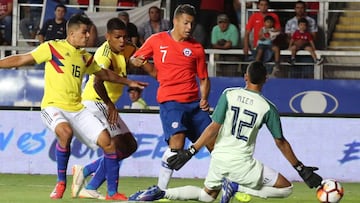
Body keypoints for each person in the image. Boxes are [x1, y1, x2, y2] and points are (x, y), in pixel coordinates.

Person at [129, 61, 323, 203]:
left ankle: (163, 193)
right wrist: (300, 168)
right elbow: (280, 141)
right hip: (242, 163)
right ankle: (237, 186)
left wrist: (191, 151)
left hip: (219, 159)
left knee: (207, 196)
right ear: (266, 79)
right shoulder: (267, 107)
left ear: (245, 77)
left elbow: (213, 127)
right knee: (286, 188)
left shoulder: (229, 94)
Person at [0, 13, 147, 200]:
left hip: (77, 109)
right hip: (53, 107)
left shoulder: (85, 57)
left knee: (108, 143)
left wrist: (129, 83)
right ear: (72, 33)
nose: (88, 36)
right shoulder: (52, 47)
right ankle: (61, 182)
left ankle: (112, 193)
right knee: (65, 132)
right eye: (84, 32)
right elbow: (21, 59)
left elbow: (105, 75)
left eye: (88, 33)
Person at [130, 4, 215, 191]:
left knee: (215, 146)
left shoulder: (197, 48)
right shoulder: (156, 40)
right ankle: (160, 189)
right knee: (177, 143)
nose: (189, 28)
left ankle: (226, 187)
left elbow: (204, 78)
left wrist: (204, 97)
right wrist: (137, 61)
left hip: (194, 104)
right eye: (185, 23)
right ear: (175, 21)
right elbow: (135, 58)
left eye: (192, 24)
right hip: (171, 102)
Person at [70, 17, 142, 200]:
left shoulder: (122, 50)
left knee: (130, 146)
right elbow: (97, 82)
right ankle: (111, 192)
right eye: (117, 37)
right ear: (108, 36)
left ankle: (87, 174)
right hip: (96, 102)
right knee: (115, 145)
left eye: (124, 37)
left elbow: (138, 53)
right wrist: (110, 105)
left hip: (104, 103)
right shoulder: (104, 54)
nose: (122, 41)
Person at [243, 0, 281, 73]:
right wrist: (246, 46)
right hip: (258, 46)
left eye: (265, 5)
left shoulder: (274, 16)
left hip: (270, 46)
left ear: (268, 6)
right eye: (261, 5)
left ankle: (277, 66)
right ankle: (255, 68)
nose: (263, 7)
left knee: (268, 72)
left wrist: (270, 33)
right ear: (258, 6)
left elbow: (278, 30)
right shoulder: (254, 16)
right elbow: (247, 32)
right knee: (257, 69)